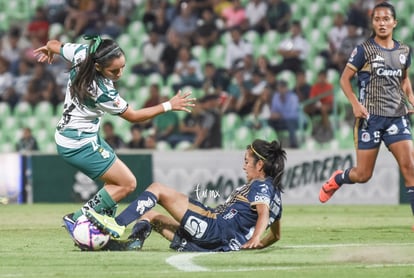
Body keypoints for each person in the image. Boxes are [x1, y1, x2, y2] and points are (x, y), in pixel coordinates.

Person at [33, 35, 195, 247]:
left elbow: (55, 44)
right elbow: (134, 116)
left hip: (78, 135)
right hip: (79, 142)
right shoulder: (101, 90)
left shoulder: (84, 53)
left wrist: (50, 49)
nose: (120, 73)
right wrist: (168, 105)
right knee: (127, 183)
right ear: (98, 67)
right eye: (114, 71)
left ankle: (100, 229)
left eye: (123, 67)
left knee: (115, 184)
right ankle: (77, 218)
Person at [85, 138, 285, 252]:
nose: (244, 166)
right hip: (218, 243)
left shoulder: (261, 184)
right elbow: (276, 235)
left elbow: (262, 212)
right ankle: (132, 243)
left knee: (157, 189)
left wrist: (256, 238)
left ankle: (117, 223)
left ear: (260, 165)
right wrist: (251, 245)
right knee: (150, 216)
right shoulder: (276, 197)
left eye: (247, 161)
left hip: (214, 227)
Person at [319, 2, 414, 230]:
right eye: (377, 19)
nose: (382, 23)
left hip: (397, 117)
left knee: (410, 166)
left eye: (386, 19)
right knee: (363, 175)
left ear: (394, 23)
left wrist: (410, 99)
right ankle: (338, 178)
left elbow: (404, 80)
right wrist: (354, 104)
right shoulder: (364, 50)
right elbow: (344, 79)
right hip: (370, 119)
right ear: (373, 23)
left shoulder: (404, 51)